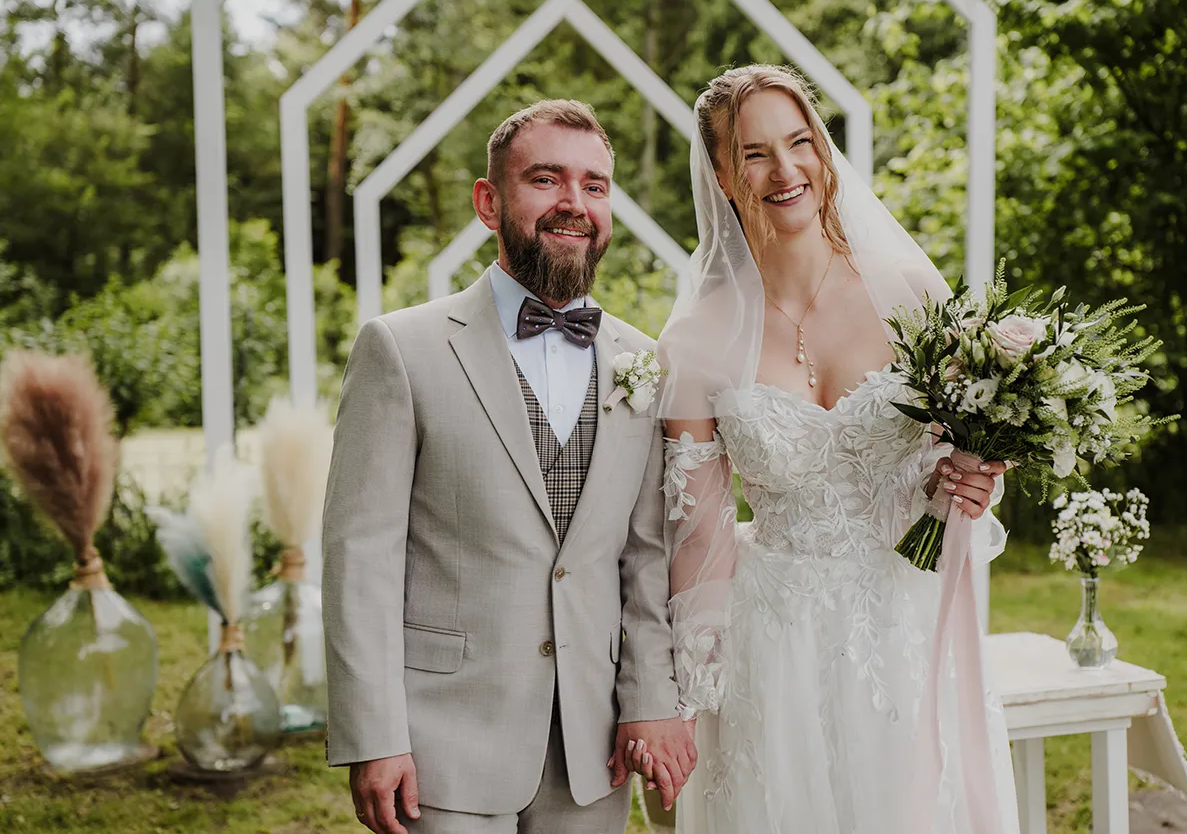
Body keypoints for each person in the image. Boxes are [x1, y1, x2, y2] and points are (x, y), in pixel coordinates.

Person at [649, 65, 1021, 834]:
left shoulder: (910, 291)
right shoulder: (694, 339)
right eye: (754, 154)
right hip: (774, 641)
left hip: (906, 629)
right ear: (721, 172)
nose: (785, 171)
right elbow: (700, 537)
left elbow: (961, 452)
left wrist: (971, 484)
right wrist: (687, 699)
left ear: (823, 149)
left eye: (799, 143)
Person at [321, 99, 695, 834]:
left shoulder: (643, 362)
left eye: (594, 185)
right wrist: (374, 734)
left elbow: (647, 558)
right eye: (546, 180)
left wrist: (649, 695)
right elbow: (358, 554)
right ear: (490, 202)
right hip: (442, 743)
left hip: (592, 748)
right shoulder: (401, 349)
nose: (574, 204)